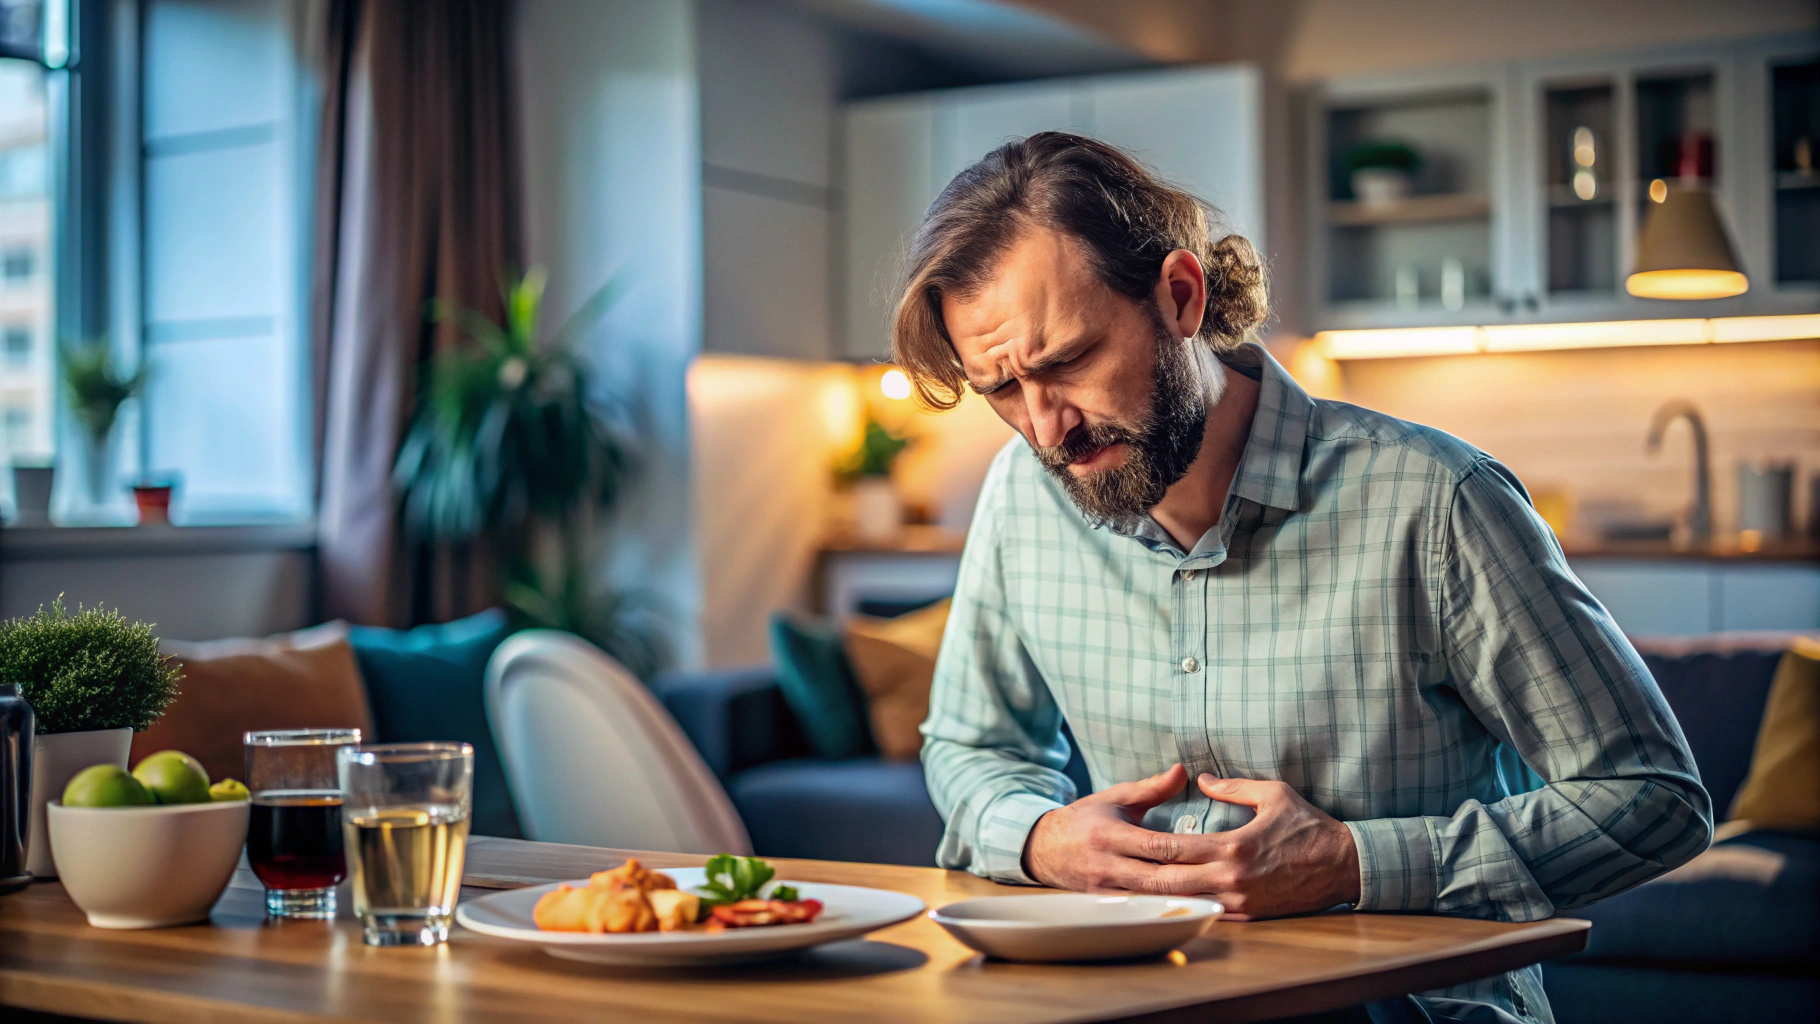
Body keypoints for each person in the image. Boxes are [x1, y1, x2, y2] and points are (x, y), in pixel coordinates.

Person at [897, 133, 1710, 1024]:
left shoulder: (1437, 501)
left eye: (1066, 363)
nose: (1048, 429)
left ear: (1180, 296)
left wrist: (1354, 863)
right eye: (1003, 390)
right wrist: (1043, 838)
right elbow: (976, 750)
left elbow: (1653, 799)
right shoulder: (1023, 495)